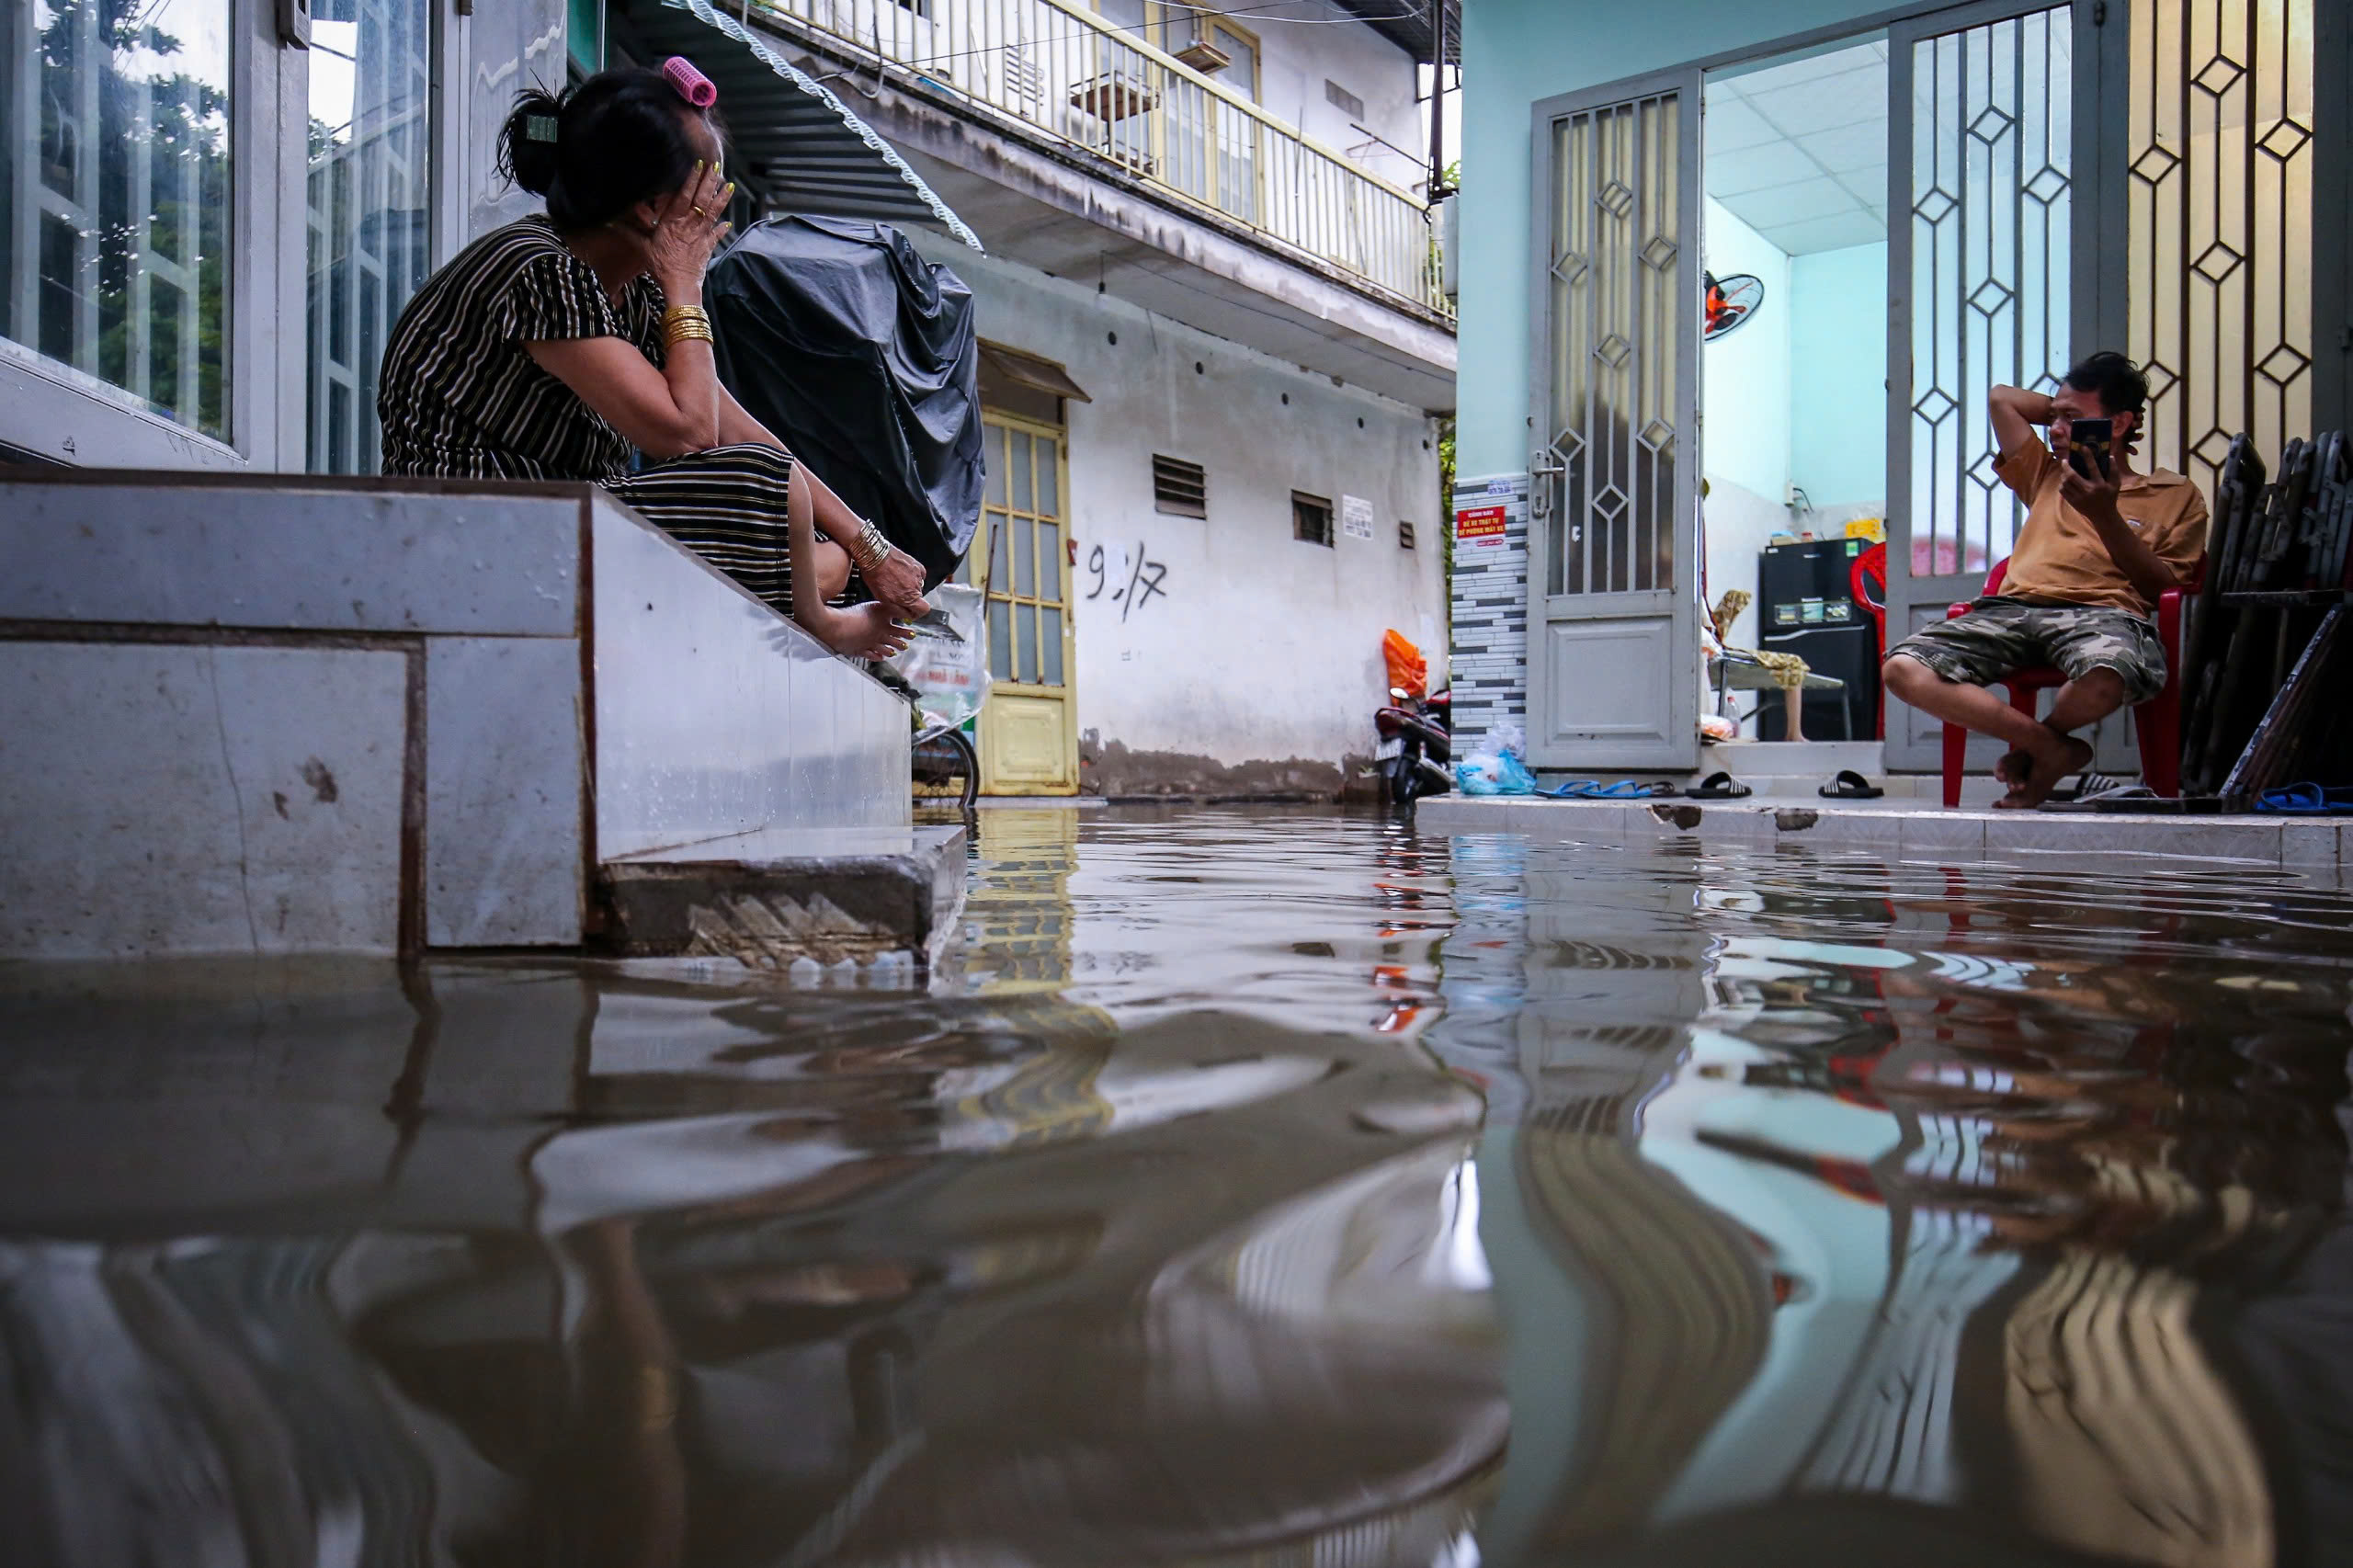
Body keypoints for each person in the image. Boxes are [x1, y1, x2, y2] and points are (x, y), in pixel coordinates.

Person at [377, 62, 925, 658]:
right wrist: (686, 283)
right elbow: (689, 436)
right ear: (651, 208)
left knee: (820, 539)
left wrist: (870, 548)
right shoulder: (539, 270)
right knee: (775, 496)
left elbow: (732, 426)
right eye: (707, 193)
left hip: (574, 522)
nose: (717, 215)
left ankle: (805, 593)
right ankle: (817, 618)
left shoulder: (629, 291)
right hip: (477, 530)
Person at [1881, 353, 2208, 807]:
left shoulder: (2175, 496)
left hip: (2103, 616)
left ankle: (2041, 748)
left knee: (2104, 676)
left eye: (2071, 418)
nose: (2053, 429)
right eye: (2052, 417)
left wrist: (2104, 514)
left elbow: (2161, 587)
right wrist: (2066, 415)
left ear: (2119, 424)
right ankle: (2051, 749)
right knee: (1902, 669)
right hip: (2011, 611)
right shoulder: (2047, 473)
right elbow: (2002, 399)